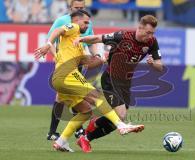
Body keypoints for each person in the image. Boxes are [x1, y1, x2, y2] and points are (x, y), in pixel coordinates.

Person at [35, 10, 144, 152]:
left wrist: (101, 59)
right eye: (85, 22)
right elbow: (57, 30)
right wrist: (48, 44)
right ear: (76, 21)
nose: (88, 25)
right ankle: (121, 125)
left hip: (60, 80)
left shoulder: (77, 44)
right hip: (66, 75)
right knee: (97, 96)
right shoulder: (72, 27)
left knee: (85, 111)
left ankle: (61, 141)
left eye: (89, 22)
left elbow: (88, 64)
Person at [73, 15, 163, 153]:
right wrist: (81, 39)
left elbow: (160, 66)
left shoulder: (151, 42)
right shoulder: (122, 36)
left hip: (125, 83)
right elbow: (98, 38)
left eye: (152, 33)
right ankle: (88, 134)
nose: (150, 36)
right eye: (148, 32)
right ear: (140, 28)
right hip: (110, 79)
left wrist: (153, 64)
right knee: (120, 117)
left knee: (117, 120)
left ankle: (87, 137)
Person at [46, 0, 99, 141]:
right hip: (65, 63)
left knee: (76, 95)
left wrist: (97, 55)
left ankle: (76, 129)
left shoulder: (87, 22)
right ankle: (53, 131)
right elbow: (50, 39)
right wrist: (56, 56)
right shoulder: (62, 21)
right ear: (70, 8)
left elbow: (91, 41)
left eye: (82, 7)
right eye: (77, 7)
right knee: (62, 96)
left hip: (79, 61)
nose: (80, 9)